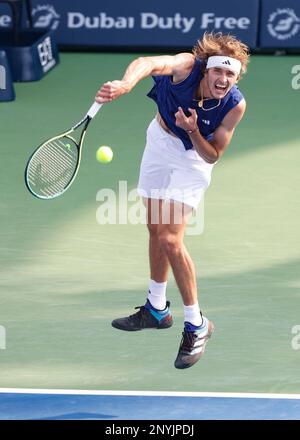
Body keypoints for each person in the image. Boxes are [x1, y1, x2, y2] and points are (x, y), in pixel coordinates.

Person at [95, 32, 250, 369]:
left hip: (192, 160)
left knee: (170, 238)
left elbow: (212, 157)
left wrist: (194, 130)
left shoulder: (234, 105)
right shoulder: (185, 67)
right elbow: (148, 63)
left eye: (230, 75)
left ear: (236, 78)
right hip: (159, 142)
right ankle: (156, 308)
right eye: (218, 72)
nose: (223, 80)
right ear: (206, 70)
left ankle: (197, 324)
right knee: (155, 230)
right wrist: (125, 83)